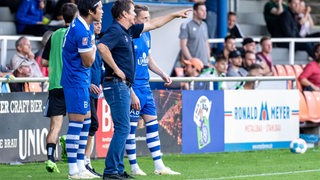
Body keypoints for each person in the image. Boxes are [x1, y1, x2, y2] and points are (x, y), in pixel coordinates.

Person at [97, 0, 190, 179]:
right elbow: (101, 47)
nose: (134, 14)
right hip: (116, 84)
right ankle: (111, 171)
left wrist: (174, 15)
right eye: (132, 11)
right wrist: (117, 69)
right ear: (124, 14)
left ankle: (117, 169)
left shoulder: (128, 31)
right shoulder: (115, 30)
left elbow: (154, 24)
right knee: (124, 128)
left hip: (123, 85)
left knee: (123, 128)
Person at [124, 4, 180, 176]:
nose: (148, 21)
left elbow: (147, 57)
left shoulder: (147, 35)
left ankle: (159, 165)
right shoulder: (129, 35)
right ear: (136, 19)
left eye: (149, 18)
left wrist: (162, 73)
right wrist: (130, 90)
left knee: (152, 125)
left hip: (146, 87)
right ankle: (134, 166)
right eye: (145, 18)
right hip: (133, 87)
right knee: (131, 130)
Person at [60, 0, 103, 179]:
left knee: (85, 123)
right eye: (99, 8)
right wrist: (93, 46)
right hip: (76, 82)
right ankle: (72, 171)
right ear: (91, 10)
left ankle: (80, 167)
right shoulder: (81, 31)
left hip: (81, 81)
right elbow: (88, 61)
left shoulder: (83, 26)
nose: (102, 11)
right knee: (76, 125)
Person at [41, 2, 78, 174]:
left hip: (55, 85)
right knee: (78, 123)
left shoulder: (54, 35)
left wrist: (57, 60)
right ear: (76, 15)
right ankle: (76, 159)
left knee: (55, 126)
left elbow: (44, 62)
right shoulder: (77, 33)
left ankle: (49, 159)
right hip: (72, 84)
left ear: (62, 17)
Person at [84, 20, 103, 178]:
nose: (99, 25)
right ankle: (84, 160)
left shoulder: (98, 43)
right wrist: (89, 83)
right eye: (96, 23)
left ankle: (85, 160)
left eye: (100, 23)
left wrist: (102, 81)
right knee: (91, 124)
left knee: (91, 125)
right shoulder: (87, 43)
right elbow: (83, 65)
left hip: (95, 91)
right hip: (86, 90)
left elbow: (99, 68)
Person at [179, 2, 211, 67]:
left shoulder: (204, 25)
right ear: (195, 12)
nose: (205, 12)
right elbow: (183, 46)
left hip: (204, 63)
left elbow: (206, 43)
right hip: (192, 66)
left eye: (205, 10)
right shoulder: (186, 25)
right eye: (202, 10)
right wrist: (192, 61)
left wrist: (208, 59)